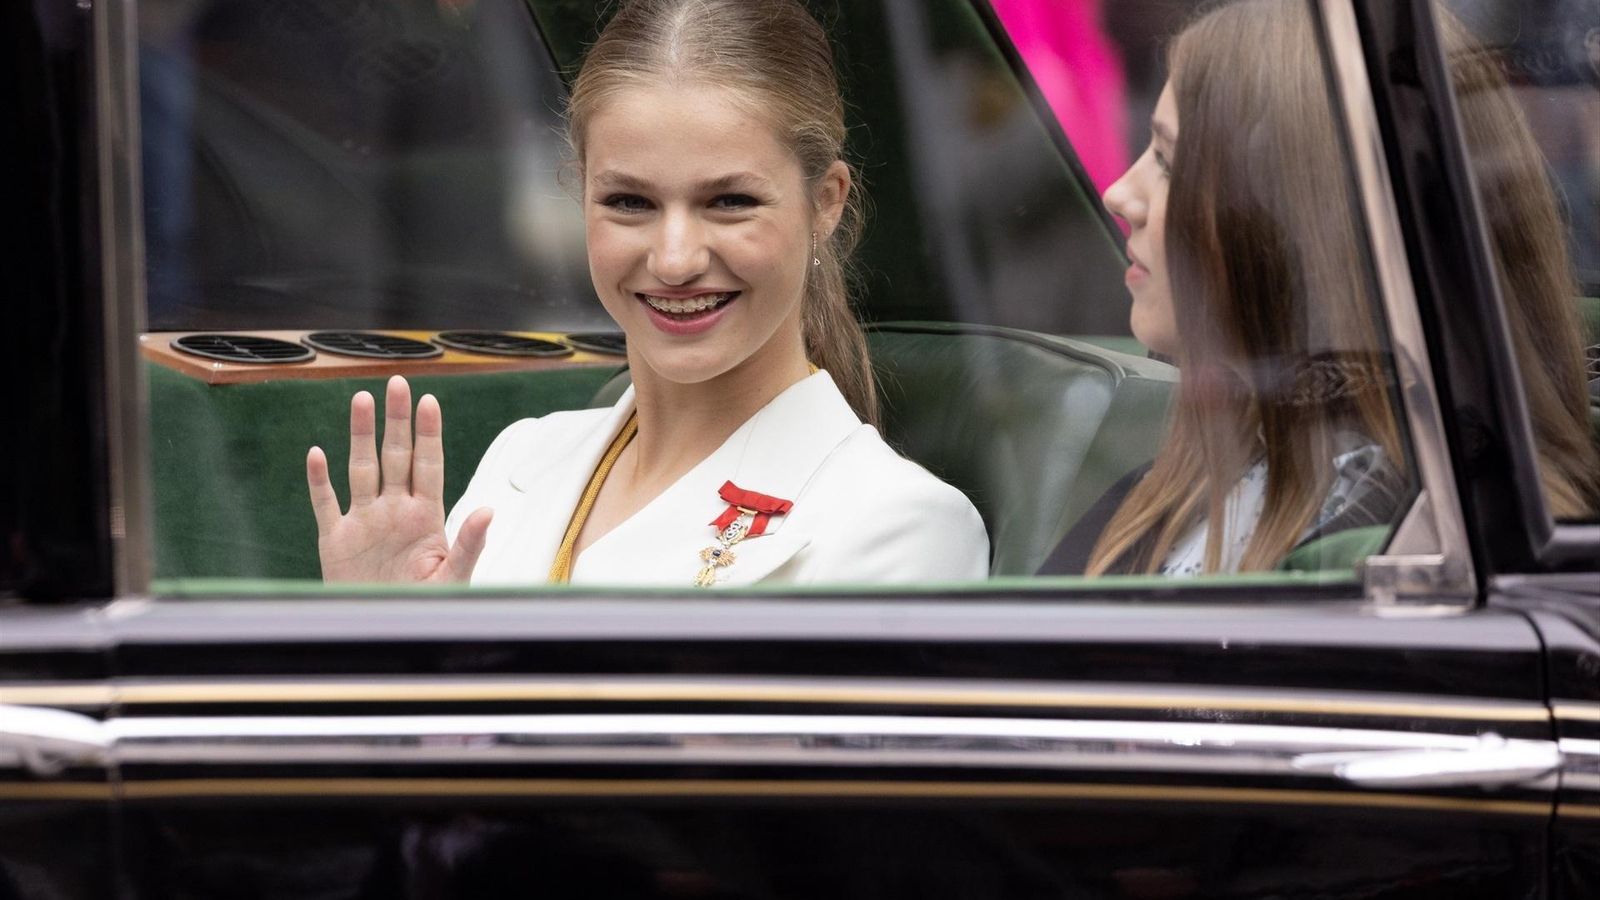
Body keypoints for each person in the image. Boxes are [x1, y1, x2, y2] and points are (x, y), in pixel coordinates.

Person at [304, 0, 989, 587]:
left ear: (825, 202)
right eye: (630, 201)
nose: (675, 258)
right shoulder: (522, 458)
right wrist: (382, 647)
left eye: (730, 201)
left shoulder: (903, 526)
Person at [1044, 0, 1599, 578]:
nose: (1118, 194)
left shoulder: (1403, 556)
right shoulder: (1186, 484)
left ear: (1294, 228)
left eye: (1166, 161)